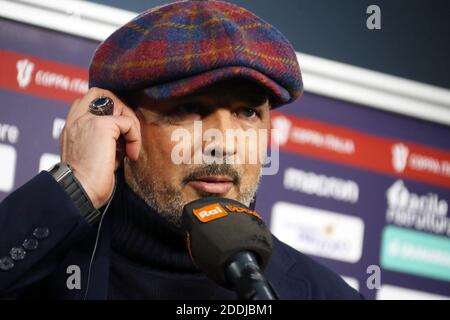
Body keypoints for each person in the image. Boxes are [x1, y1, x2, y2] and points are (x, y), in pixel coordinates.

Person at [0, 0, 362, 299]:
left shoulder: (324, 294)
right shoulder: (39, 262)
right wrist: (73, 187)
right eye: (188, 109)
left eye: (247, 112)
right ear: (120, 124)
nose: (222, 144)